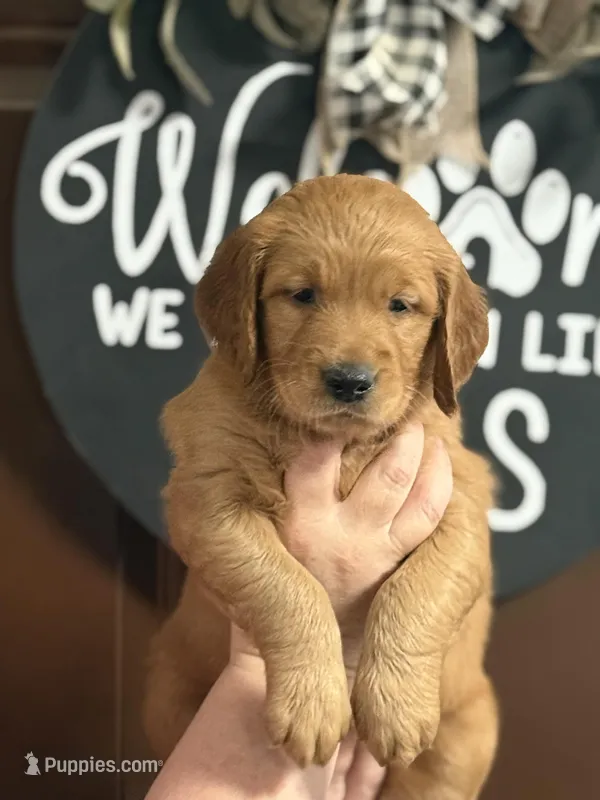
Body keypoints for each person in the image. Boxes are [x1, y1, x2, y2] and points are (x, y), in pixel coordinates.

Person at [145, 423, 452, 800]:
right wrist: (277, 653)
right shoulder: (231, 414)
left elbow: (458, 533)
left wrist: (406, 651)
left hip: (389, 749)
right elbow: (201, 511)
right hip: (221, 710)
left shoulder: (429, 430)